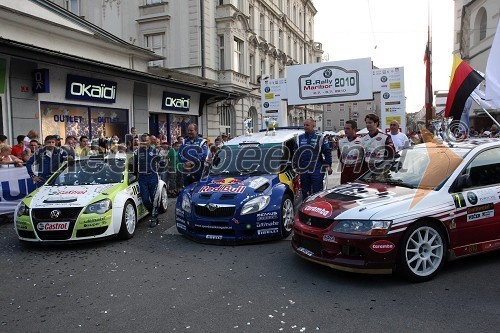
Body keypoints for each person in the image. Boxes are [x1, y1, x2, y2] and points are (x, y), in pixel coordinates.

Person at [294, 118, 333, 200]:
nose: (305, 127)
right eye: (304, 125)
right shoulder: (299, 138)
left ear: (313, 126)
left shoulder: (320, 138)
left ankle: (318, 206)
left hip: (317, 167)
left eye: (307, 125)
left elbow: (327, 152)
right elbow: (296, 153)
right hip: (304, 168)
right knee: (305, 191)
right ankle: (305, 208)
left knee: (317, 191)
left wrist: (328, 165)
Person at [134, 133, 162, 227]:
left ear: (150, 141)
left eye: (146, 140)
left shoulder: (155, 151)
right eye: (143, 140)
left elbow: (161, 162)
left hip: (152, 177)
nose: (144, 142)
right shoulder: (137, 152)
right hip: (142, 178)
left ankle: (154, 217)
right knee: (145, 200)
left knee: (154, 199)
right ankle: (154, 213)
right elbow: (134, 165)